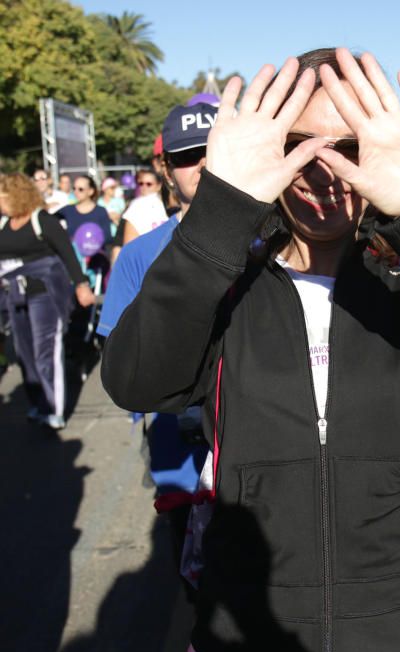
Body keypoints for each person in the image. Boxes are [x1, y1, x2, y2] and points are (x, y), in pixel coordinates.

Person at [100, 49, 400, 652]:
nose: (327, 168)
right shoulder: (225, 283)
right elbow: (135, 380)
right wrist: (222, 210)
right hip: (246, 629)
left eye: (350, 146)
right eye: (301, 146)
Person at [97, 101, 218, 593]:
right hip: (182, 463)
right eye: (188, 156)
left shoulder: (276, 243)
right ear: (166, 170)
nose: (204, 165)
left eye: (213, 150)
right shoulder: (140, 255)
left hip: (269, 466)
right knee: (202, 600)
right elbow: (122, 365)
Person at [0, 174, 96, 430]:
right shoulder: (3, 224)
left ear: (17, 195)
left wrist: (81, 285)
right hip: (14, 297)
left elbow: (67, 254)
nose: (1, 202)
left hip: (44, 295)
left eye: (3, 197)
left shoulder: (42, 221)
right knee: (24, 353)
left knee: (46, 352)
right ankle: (39, 402)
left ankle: (55, 408)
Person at [56, 175, 114, 245]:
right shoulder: (68, 210)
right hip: (72, 255)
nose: (76, 192)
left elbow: (107, 237)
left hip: (95, 254)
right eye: (74, 188)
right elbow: (48, 220)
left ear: (91, 191)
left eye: (80, 189)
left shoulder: (101, 211)